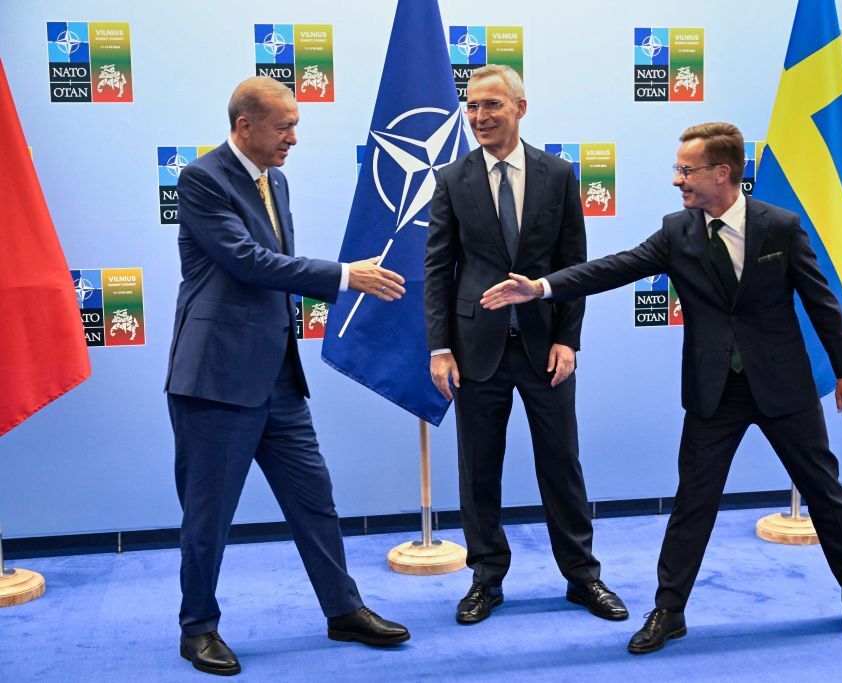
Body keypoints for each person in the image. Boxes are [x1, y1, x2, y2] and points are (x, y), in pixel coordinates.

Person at [481, 121, 842, 653]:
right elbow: (613, 268)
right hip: (714, 392)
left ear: (723, 172)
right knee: (693, 504)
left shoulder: (779, 226)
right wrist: (543, 287)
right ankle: (669, 611)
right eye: (678, 170)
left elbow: (820, 301)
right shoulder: (677, 231)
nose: (678, 180)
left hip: (783, 386)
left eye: (686, 170)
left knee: (825, 493)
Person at [165, 76, 410, 676]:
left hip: (277, 378)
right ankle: (198, 628)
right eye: (284, 127)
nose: (294, 138)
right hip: (216, 379)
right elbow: (248, 263)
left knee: (315, 502)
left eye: (295, 125)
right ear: (245, 126)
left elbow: (274, 272)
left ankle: (343, 610)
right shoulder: (201, 179)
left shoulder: (276, 180)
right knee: (208, 516)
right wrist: (345, 277)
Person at [424, 64, 627, 624]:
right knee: (478, 468)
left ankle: (583, 577)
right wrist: (439, 347)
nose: (480, 117)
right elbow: (438, 269)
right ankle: (486, 579)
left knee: (561, 463)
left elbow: (574, 267)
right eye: (472, 107)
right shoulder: (450, 179)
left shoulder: (559, 175)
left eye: (492, 105)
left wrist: (568, 339)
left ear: (520, 107)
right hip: (475, 350)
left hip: (544, 349)